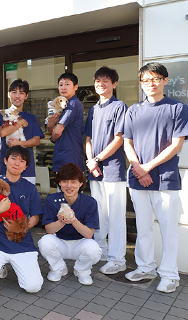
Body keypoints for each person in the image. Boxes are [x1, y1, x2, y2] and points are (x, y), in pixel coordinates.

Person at [123, 62, 188, 293]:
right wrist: (137, 167)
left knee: (168, 229)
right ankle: (145, 267)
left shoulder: (177, 109)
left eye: (156, 79)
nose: (151, 84)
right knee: (143, 226)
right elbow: (127, 142)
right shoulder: (133, 110)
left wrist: (147, 167)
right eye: (146, 80)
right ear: (141, 83)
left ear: (165, 81)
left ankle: (170, 274)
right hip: (137, 178)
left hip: (166, 178)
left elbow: (177, 145)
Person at [0, 145, 43, 293]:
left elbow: (35, 216)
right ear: (5, 161)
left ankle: (25, 265)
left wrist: (21, 228)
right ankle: (1, 266)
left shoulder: (30, 188)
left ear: (25, 166)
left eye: (21, 161)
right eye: (13, 158)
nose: (16, 163)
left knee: (33, 287)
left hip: (22, 242)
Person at [83, 67, 127, 274]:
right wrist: (90, 160)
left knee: (116, 214)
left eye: (106, 81)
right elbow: (88, 138)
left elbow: (119, 139)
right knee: (99, 212)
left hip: (113, 170)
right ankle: (100, 251)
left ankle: (117, 259)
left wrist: (97, 159)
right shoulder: (93, 110)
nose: (101, 84)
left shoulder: (120, 107)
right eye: (98, 80)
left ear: (114, 84)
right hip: (95, 170)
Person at [38, 163, 101, 285]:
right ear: (59, 183)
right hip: (60, 242)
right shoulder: (52, 199)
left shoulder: (89, 202)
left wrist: (73, 220)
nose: (69, 186)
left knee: (93, 248)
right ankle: (58, 268)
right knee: (45, 241)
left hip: (80, 243)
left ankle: (82, 271)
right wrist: (61, 221)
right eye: (65, 181)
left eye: (73, 181)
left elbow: (89, 234)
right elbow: (49, 230)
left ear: (81, 183)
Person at [0, 79, 44, 185]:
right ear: (9, 95)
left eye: (21, 93)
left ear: (26, 96)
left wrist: (19, 143)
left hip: (27, 170)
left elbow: (36, 141)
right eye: (14, 92)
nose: (17, 96)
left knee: (26, 201)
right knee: (4, 200)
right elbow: (2, 133)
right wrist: (20, 122)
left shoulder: (32, 118)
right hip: (5, 169)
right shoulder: (2, 114)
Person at [47, 73, 85, 173]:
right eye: (61, 84)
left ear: (75, 87)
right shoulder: (62, 105)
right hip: (63, 156)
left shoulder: (73, 104)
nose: (63, 87)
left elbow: (57, 132)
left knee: (69, 187)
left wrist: (52, 138)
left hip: (70, 157)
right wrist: (51, 125)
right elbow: (52, 129)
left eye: (67, 84)